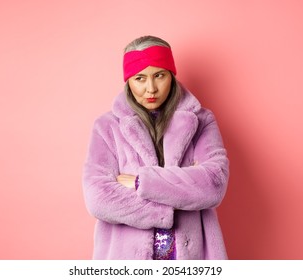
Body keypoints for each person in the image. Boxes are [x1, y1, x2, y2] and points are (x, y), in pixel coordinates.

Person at [82, 35, 229, 260]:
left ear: (171, 74)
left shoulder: (202, 120)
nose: (151, 88)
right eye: (140, 78)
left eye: (159, 75)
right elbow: (98, 198)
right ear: (128, 81)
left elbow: (214, 185)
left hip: (192, 256)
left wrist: (142, 182)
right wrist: (178, 198)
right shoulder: (107, 127)